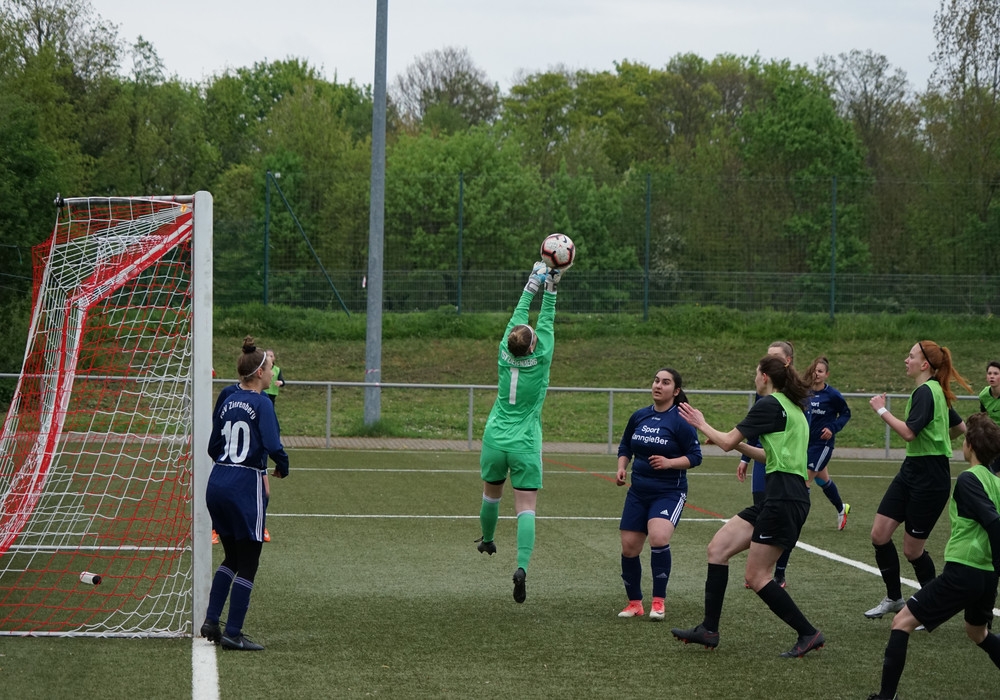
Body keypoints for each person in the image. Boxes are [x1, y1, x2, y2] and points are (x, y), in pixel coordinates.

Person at [671, 355, 825, 658]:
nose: (754, 378)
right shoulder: (793, 408)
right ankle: (709, 630)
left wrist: (701, 424)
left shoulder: (769, 404)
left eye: (756, 373)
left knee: (757, 577)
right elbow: (768, 455)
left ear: (765, 376)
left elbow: (727, 441)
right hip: (780, 496)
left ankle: (808, 633)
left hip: (784, 498)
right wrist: (736, 444)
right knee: (718, 548)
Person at [867, 413, 1000, 700]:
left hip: (964, 571)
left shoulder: (968, 479)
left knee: (901, 622)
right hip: (987, 575)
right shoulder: (996, 481)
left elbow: (993, 522)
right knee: (977, 633)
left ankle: (886, 697)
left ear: (969, 445)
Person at [475, 259, 566, 604]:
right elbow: (547, 319)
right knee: (526, 507)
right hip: (525, 442)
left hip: (495, 438)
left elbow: (520, 314)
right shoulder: (541, 357)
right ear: (531, 347)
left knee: (491, 496)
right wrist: (552, 284)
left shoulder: (504, 350)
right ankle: (522, 567)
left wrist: (533, 281)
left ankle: (487, 539)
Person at [865, 340, 971, 620]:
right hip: (912, 469)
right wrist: (938, 437)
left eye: (910, 356)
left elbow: (909, 433)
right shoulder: (932, 391)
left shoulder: (928, 391)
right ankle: (894, 598)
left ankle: (932, 607)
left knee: (912, 551)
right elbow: (958, 428)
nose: (906, 360)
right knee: (879, 534)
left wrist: (881, 410)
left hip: (931, 478)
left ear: (925, 364)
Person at [200, 336, 289, 651]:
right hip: (244, 485)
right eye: (270, 367)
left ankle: (211, 620)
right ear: (260, 372)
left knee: (232, 557)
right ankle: (233, 633)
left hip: (217, 482)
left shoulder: (227, 394)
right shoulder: (263, 403)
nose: (272, 371)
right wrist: (283, 465)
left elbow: (213, 445)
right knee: (249, 562)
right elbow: (273, 444)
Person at [615, 368, 703, 621]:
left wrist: (669, 463)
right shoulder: (639, 416)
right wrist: (622, 467)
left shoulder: (681, 421)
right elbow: (625, 445)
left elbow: (696, 456)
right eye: (656, 381)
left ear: (675, 391)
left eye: (665, 383)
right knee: (629, 547)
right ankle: (635, 603)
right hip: (638, 492)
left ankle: (658, 602)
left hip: (669, 492)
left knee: (659, 537)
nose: (658, 386)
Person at [737, 340, 795, 587]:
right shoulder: (763, 394)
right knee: (762, 510)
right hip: (764, 458)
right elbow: (754, 428)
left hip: (788, 468)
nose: (770, 360)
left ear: (787, 361)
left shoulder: (794, 394)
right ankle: (760, 569)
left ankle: (777, 572)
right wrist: (745, 458)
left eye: (776, 357)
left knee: (781, 519)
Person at [804, 356, 852, 530]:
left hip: (822, 445)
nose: (816, 374)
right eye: (814, 371)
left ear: (826, 374)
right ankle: (841, 508)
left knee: (804, 481)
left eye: (820, 371)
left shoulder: (832, 395)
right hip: (806, 443)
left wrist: (832, 428)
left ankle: (795, 520)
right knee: (822, 480)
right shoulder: (805, 392)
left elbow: (846, 413)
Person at [980, 360, 1000, 469]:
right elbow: (983, 418)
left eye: (996, 373)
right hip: (994, 440)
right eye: (989, 373)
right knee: (989, 470)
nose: (992, 376)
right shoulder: (983, 395)